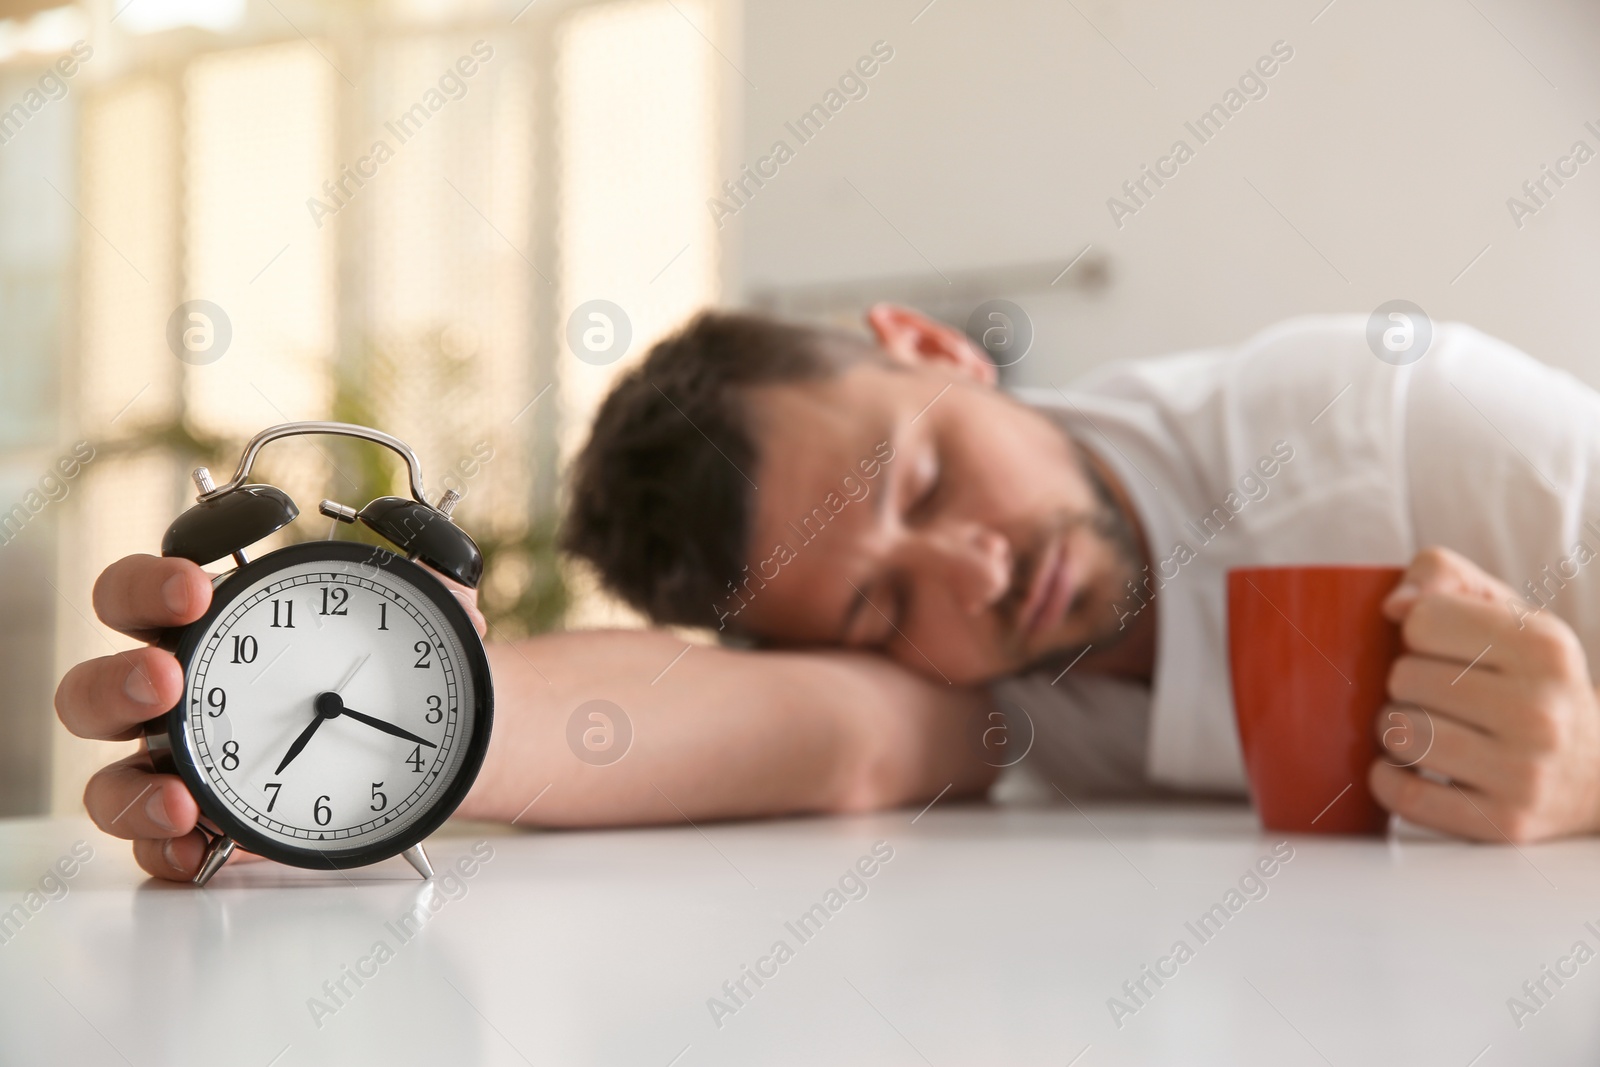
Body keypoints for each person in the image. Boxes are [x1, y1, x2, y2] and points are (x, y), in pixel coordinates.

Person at [56, 305, 1600, 881]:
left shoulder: (1402, 425)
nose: (974, 573)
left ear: (931, 350)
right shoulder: (967, 701)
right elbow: (795, 731)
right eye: (873, 611)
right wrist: (392, 716)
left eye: (922, 481)